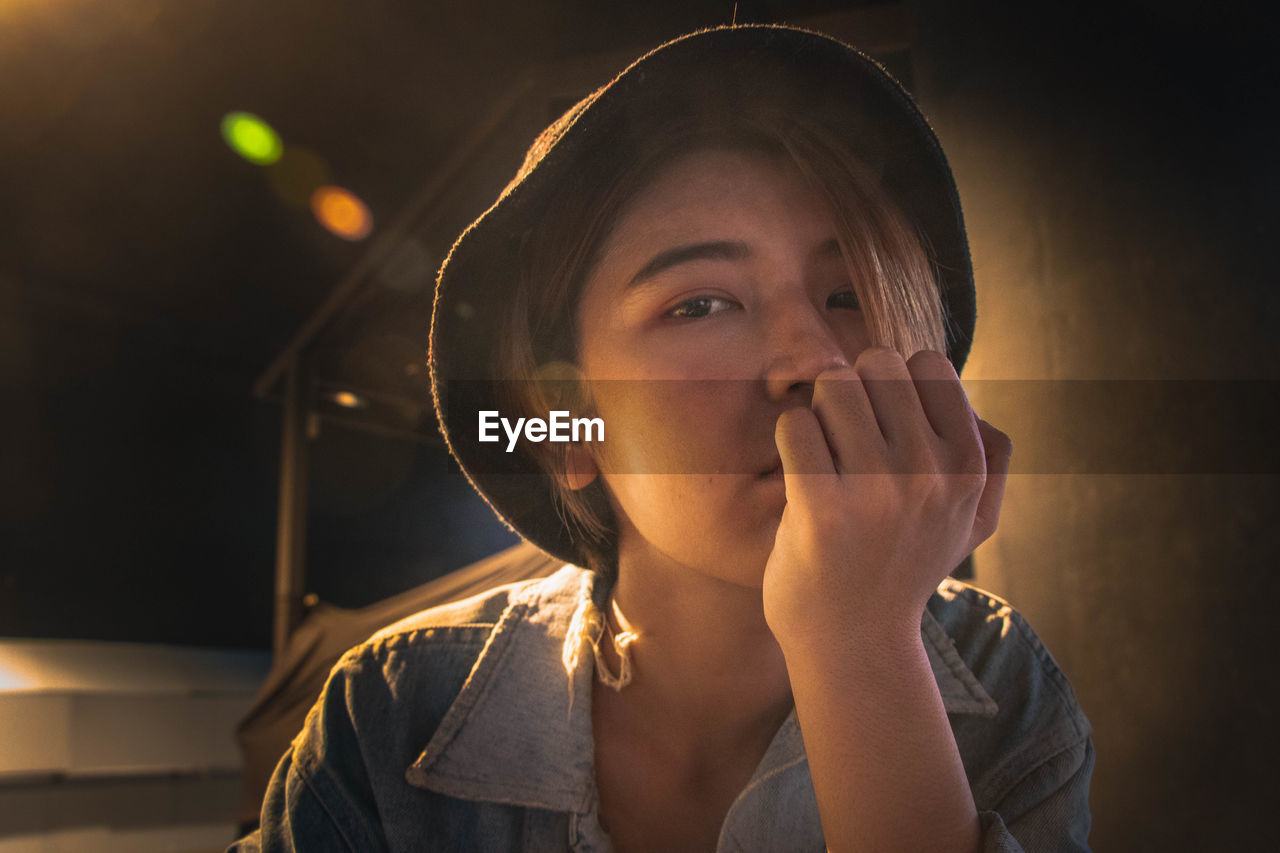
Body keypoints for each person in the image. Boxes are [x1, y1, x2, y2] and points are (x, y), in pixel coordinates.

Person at [231, 24, 1093, 852]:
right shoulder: (395, 709)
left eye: (848, 293)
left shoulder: (1006, 687)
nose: (816, 363)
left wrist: (862, 643)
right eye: (699, 304)